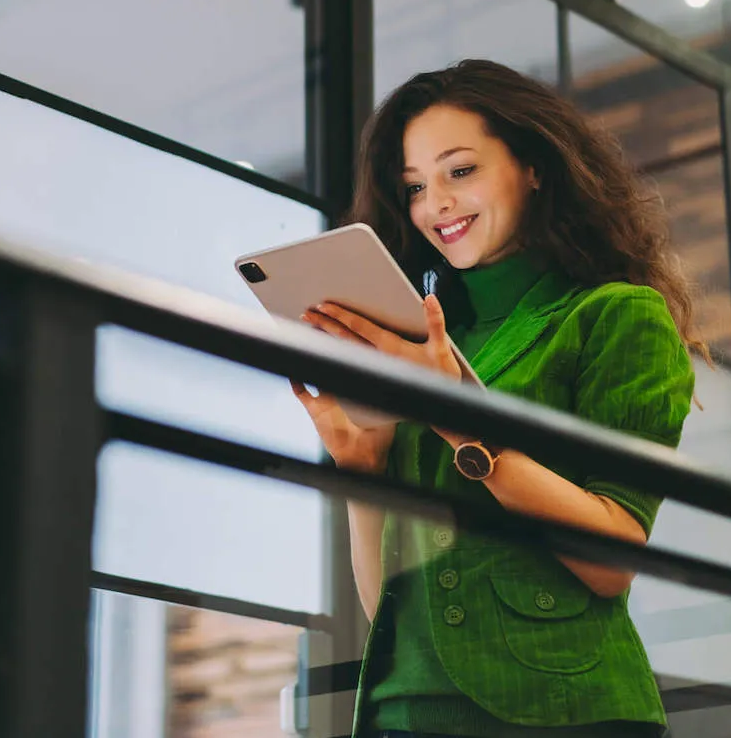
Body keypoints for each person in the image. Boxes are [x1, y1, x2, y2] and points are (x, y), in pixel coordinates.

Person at [291, 59, 704, 738]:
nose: (436, 205)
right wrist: (361, 469)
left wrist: (461, 425)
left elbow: (613, 563)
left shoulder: (615, 316)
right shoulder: (424, 340)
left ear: (535, 167)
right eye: (415, 187)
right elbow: (387, 606)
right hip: (404, 713)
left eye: (460, 171)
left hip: (563, 717)